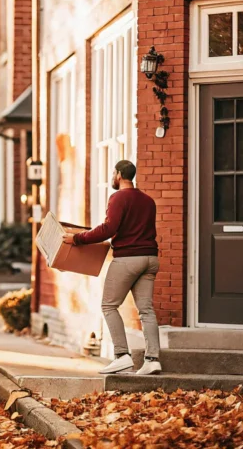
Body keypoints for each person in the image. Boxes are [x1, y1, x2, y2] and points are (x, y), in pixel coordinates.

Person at [61, 160, 161, 375]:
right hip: (150, 259)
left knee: (108, 305)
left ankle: (122, 355)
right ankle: (152, 359)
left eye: (112, 173)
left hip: (128, 259)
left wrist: (77, 239)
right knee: (146, 310)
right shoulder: (148, 201)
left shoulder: (118, 198)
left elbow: (109, 228)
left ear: (118, 174)